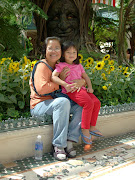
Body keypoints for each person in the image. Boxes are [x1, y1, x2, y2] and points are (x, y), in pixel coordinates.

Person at [29, 37, 85, 161]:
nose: (54, 51)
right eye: (50, 48)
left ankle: (70, 140)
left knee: (81, 105)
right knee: (63, 102)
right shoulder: (42, 66)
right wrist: (60, 83)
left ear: (61, 51)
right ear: (45, 50)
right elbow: (41, 89)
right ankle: (59, 145)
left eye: (57, 48)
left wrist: (83, 81)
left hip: (56, 102)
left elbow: (76, 80)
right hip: (40, 105)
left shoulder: (60, 66)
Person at [52, 41, 103, 151]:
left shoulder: (78, 66)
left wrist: (90, 86)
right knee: (88, 103)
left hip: (83, 89)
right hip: (72, 90)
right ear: (63, 54)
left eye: (74, 52)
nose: (71, 54)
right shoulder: (61, 66)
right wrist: (64, 84)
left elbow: (86, 77)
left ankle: (92, 126)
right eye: (68, 52)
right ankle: (84, 129)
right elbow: (53, 77)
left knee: (96, 102)